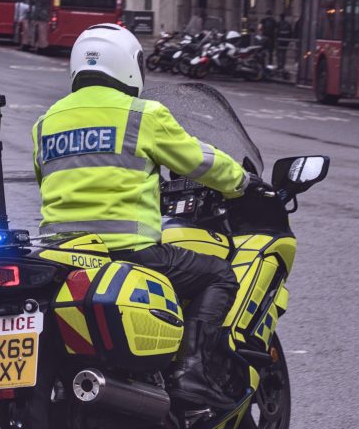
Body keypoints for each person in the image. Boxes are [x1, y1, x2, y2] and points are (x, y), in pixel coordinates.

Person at [32, 23, 264, 409]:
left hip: (63, 256)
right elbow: (198, 160)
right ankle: (193, 371)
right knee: (218, 275)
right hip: (130, 252)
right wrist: (242, 182)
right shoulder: (143, 115)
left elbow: (47, 178)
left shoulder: (46, 122)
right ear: (127, 65)